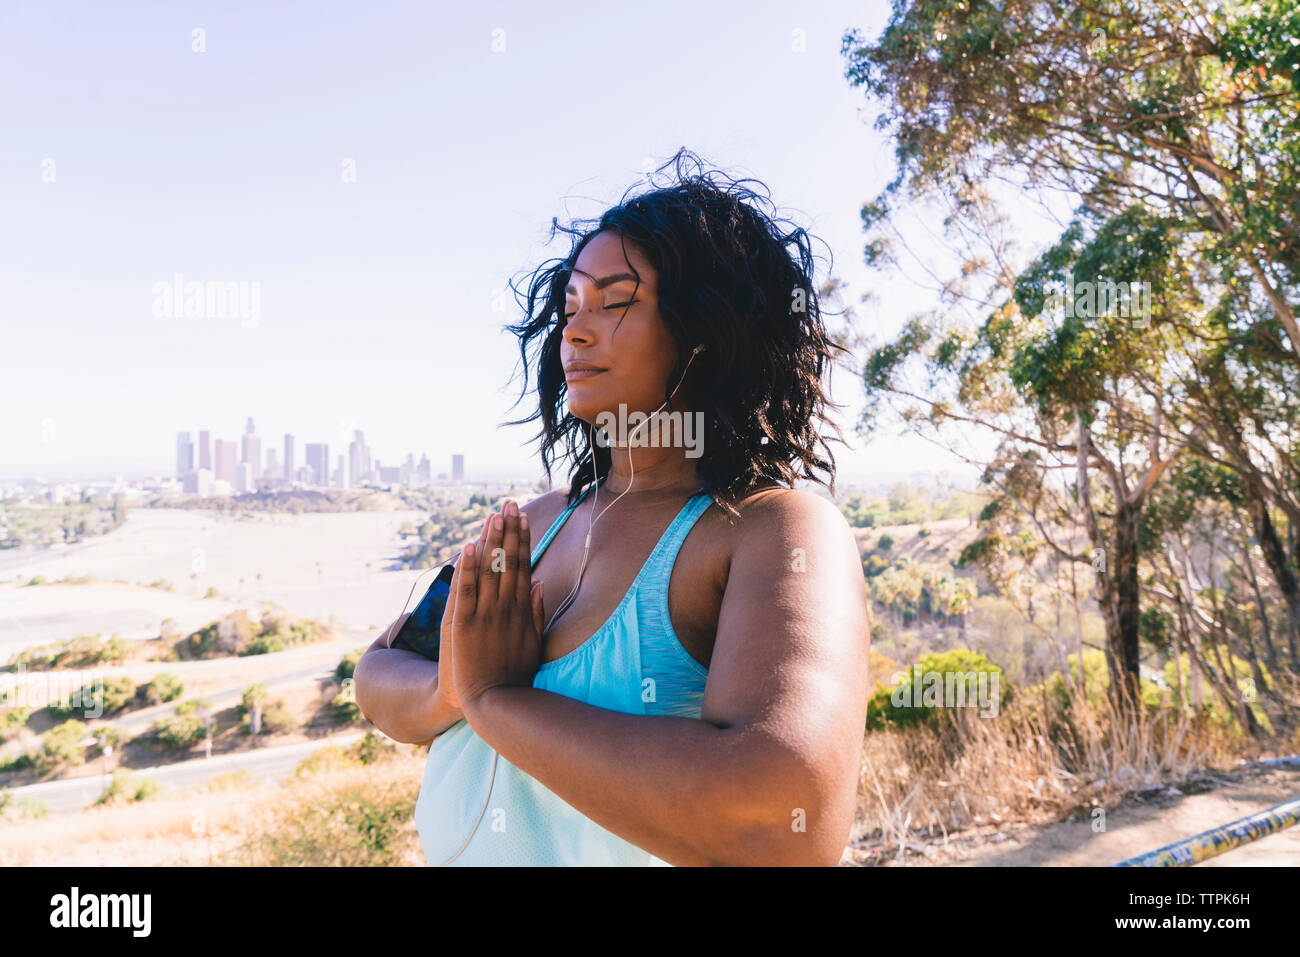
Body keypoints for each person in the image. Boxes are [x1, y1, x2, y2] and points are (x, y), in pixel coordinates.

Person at [353, 148, 871, 866]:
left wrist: (498, 700)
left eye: (616, 300)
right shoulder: (537, 524)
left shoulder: (766, 530)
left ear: (707, 327)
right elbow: (377, 677)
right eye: (570, 306)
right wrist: (452, 689)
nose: (576, 330)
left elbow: (782, 816)